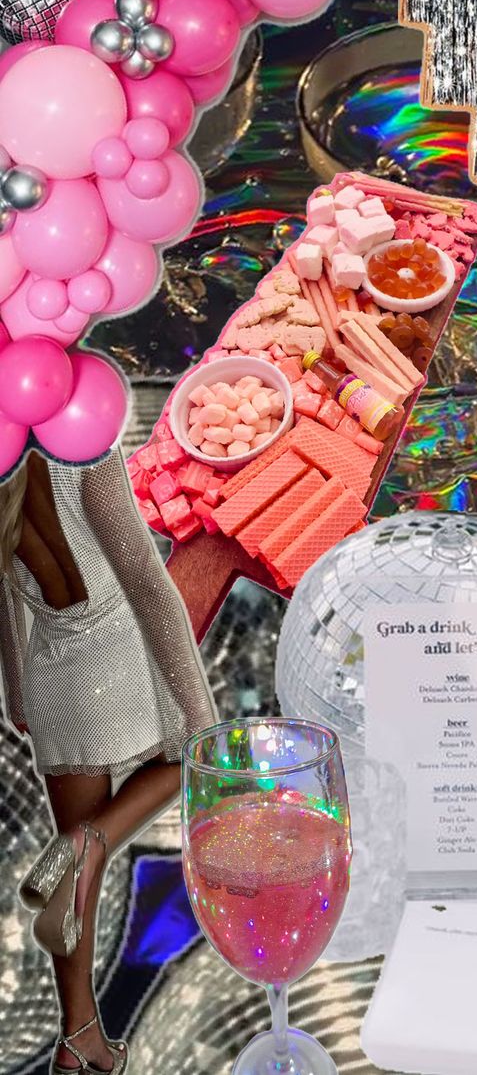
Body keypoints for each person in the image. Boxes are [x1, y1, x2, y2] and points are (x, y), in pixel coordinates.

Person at [0, 447, 217, 1075]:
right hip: (113, 660)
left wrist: (17, 691)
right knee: (190, 758)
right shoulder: (79, 449)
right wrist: (197, 704)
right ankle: (88, 844)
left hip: (50, 678)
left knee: (78, 900)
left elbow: (4, 601)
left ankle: (78, 1042)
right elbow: (147, 582)